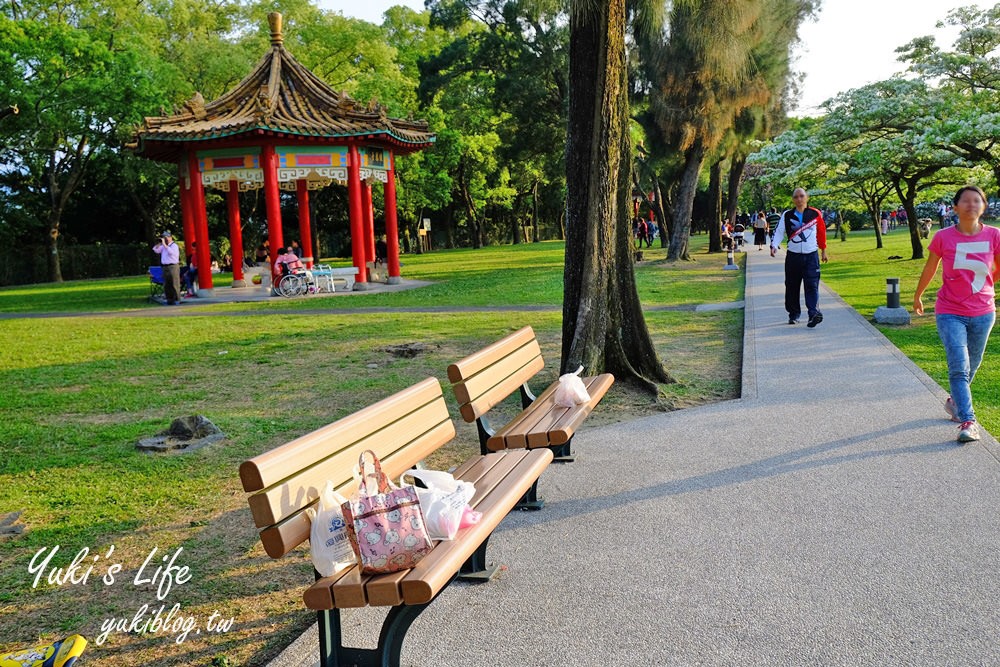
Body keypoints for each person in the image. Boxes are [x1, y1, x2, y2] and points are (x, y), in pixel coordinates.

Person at [913, 185, 1000, 443]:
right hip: (950, 311)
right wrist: (917, 295)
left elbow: (998, 270)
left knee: (972, 364)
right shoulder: (944, 237)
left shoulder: (995, 235)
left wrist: (984, 288)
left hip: (984, 312)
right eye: (966, 201)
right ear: (955, 207)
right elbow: (930, 268)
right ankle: (968, 421)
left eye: (977, 201)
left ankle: (954, 402)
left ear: (983, 206)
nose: (972, 205)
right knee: (959, 367)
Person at [770, 188, 828, 327]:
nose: (799, 199)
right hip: (793, 257)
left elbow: (821, 232)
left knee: (812, 285)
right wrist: (774, 245)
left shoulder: (815, 214)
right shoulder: (787, 215)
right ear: (793, 199)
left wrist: (823, 250)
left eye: (802, 196)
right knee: (791, 286)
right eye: (796, 197)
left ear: (806, 197)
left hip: (811, 256)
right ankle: (794, 314)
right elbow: (779, 232)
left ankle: (813, 314)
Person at [152, 231, 182, 305]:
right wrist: (159, 243)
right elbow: (156, 250)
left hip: (173, 266)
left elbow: (171, 253)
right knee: (167, 284)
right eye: (164, 238)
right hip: (165, 267)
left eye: (166, 237)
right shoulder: (163, 246)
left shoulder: (174, 246)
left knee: (174, 283)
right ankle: (169, 299)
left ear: (170, 237)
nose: (165, 239)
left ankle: (177, 299)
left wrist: (165, 245)